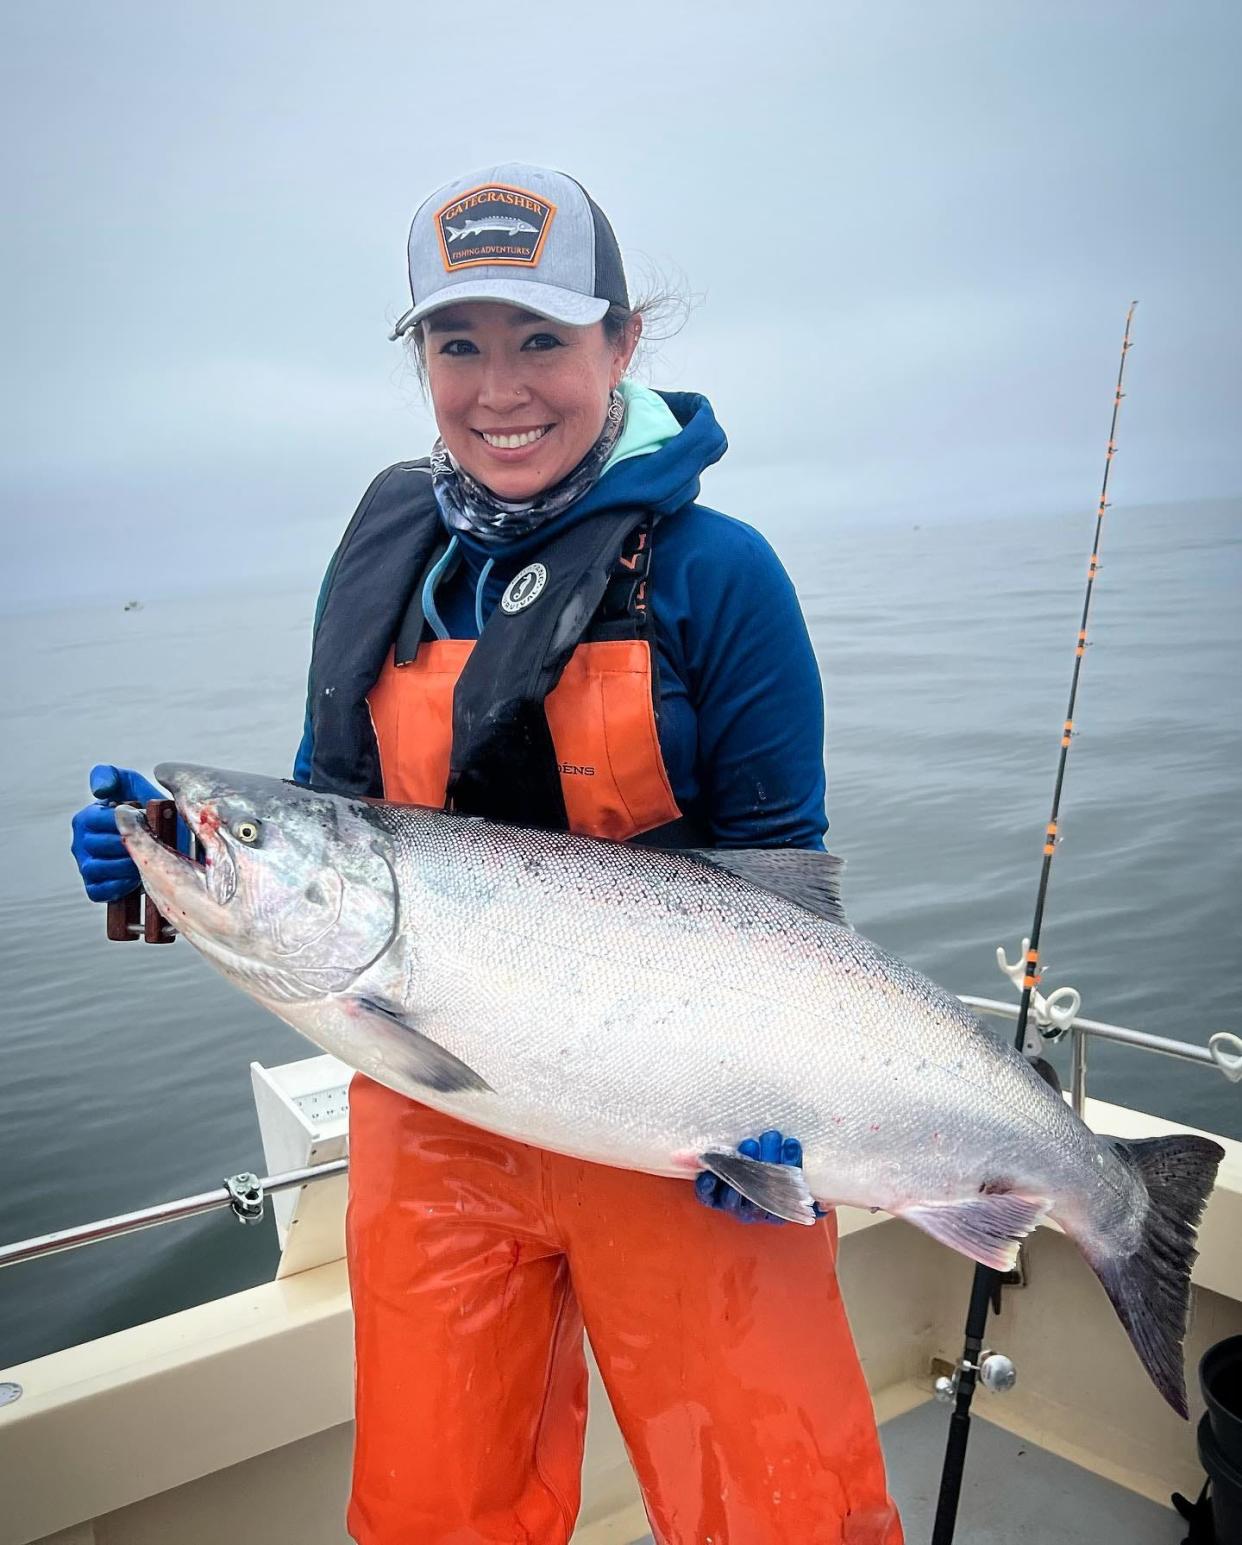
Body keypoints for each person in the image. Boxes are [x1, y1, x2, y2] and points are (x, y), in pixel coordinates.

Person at [72, 163, 903, 1545]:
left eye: (542, 341)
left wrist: (782, 1098)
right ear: (419, 359)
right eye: (457, 344)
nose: (498, 387)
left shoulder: (717, 573)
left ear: (622, 344)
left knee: (777, 1506)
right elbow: (333, 816)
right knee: (432, 1510)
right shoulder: (383, 562)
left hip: (678, 1114)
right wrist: (167, 874)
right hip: (433, 1103)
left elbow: (783, 883)